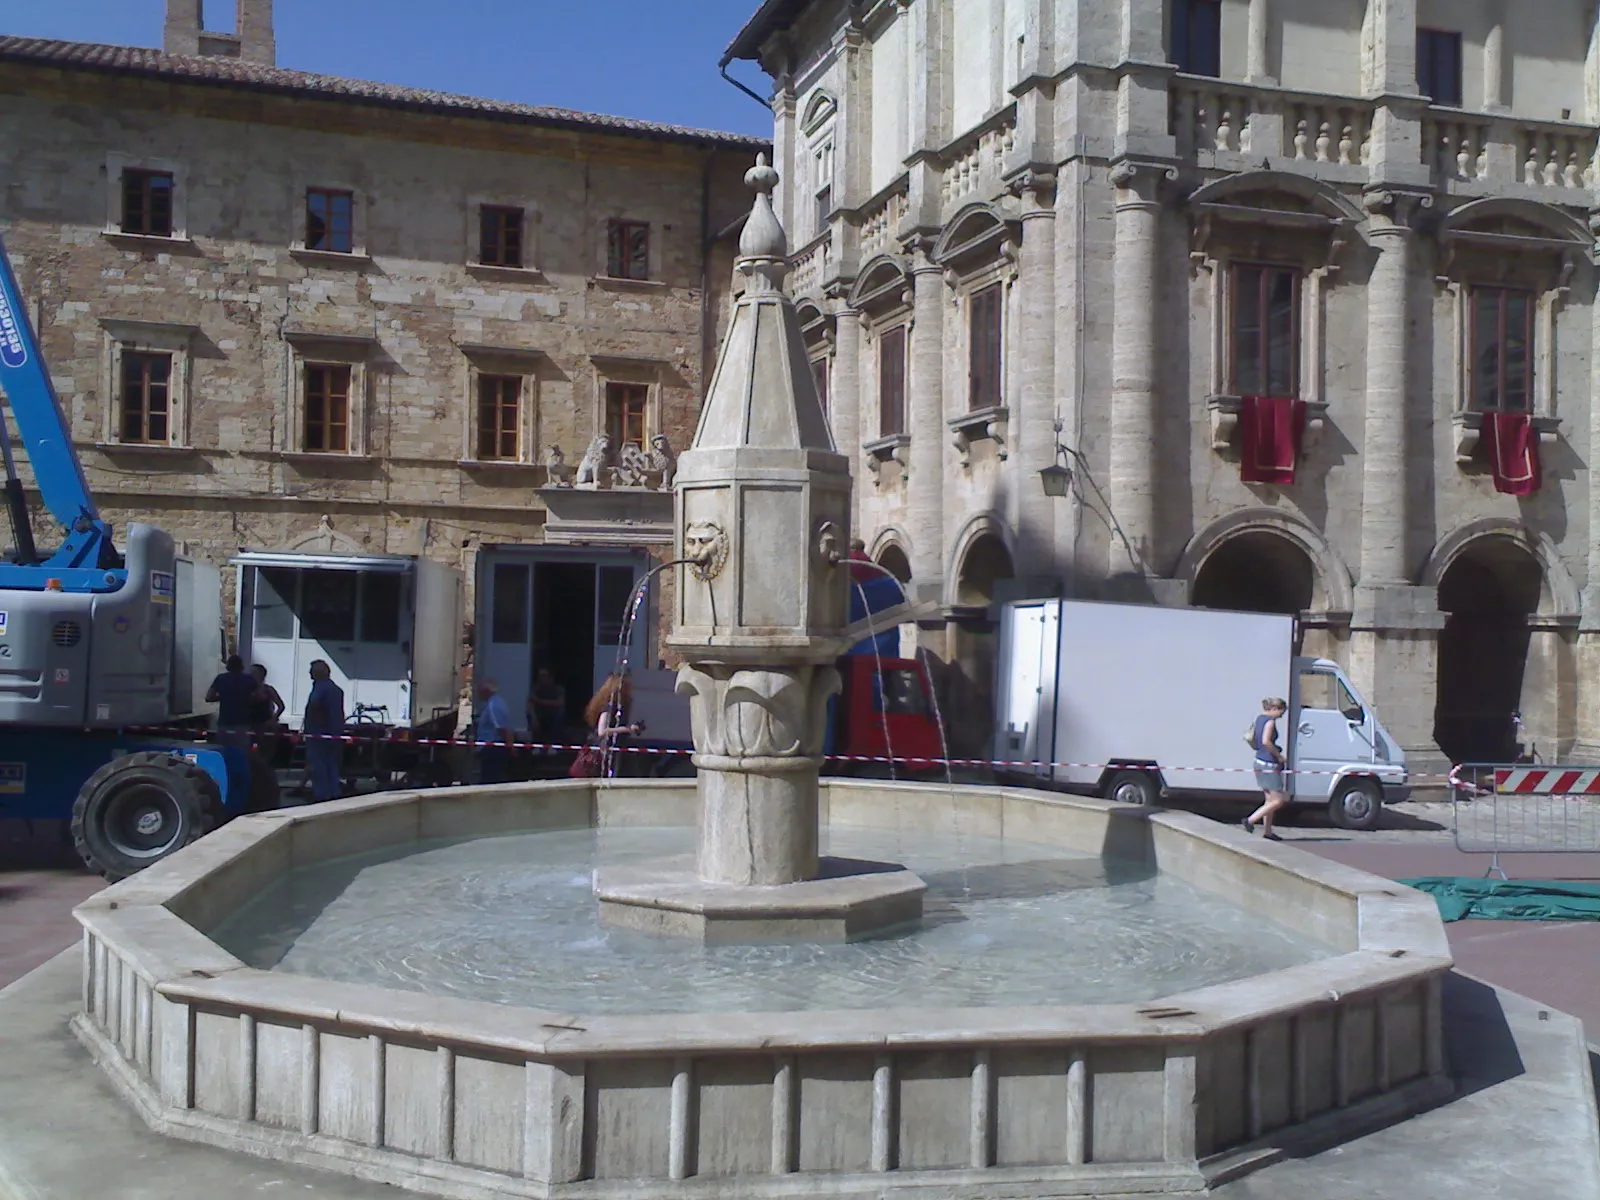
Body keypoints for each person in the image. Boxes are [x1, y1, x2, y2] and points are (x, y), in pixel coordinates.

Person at [1242, 697, 1289, 841]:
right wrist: (1279, 755)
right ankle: (1250, 820)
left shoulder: (1259, 719)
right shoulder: (1270, 722)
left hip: (1259, 762)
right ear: (1274, 709)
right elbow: (1265, 741)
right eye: (1281, 711)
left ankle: (1268, 831)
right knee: (1278, 800)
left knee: (1269, 800)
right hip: (1269, 763)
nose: (1282, 715)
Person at [302, 660, 346, 804]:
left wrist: (313, 723)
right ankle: (334, 792)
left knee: (318, 764)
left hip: (319, 734)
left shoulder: (320, 688)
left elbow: (315, 704)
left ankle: (321, 794)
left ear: (318, 673)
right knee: (332, 764)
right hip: (334, 733)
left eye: (312, 670)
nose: (309, 673)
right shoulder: (336, 689)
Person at [584, 673, 641, 777]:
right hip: (608, 748)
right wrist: (627, 729)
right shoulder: (609, 707)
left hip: (618, 746)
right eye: (627, 686)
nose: (630, 689)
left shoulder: (621, 705)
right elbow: (602, 731)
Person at [206, 654, 258, 751]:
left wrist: (224, 697)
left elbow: (209, 697)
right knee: (242, 751)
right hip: (243, 722)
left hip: (225, 722)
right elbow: (259, 697)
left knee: (224, 750)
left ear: (228, 666)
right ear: (241, 666)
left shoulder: (221, 678)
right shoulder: (249, 679)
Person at [475, 678, 514, 784]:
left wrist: (511, 748)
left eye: (480, 691)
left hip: (492, 749)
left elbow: (502, 728)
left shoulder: (494, 705)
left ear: (486, 691)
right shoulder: (494, 703)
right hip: (491, 748)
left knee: (490, 779)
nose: (478, 694)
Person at [248, 663, 286, 762]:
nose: (250, 675)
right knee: (251, 753)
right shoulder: (247, 689)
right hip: (250, 726)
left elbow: (281, 706)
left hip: (265, 726)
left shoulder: (268, 689)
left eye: (253, 673)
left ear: (261, 675)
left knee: (265, 754)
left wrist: (273, 719)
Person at [527, 667, 567, 748]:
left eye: (544, 675)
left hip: (553, 714)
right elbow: (530, 702)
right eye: (540, 675)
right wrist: (534, 717)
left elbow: (560, 703)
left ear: (550, 677)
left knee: (558, 717)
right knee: (532, 718)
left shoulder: (558, 689)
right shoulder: (536, 688)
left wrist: (539, 701)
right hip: (540, 714)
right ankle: (536, 746)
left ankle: (553, 746)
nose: (542, 678)